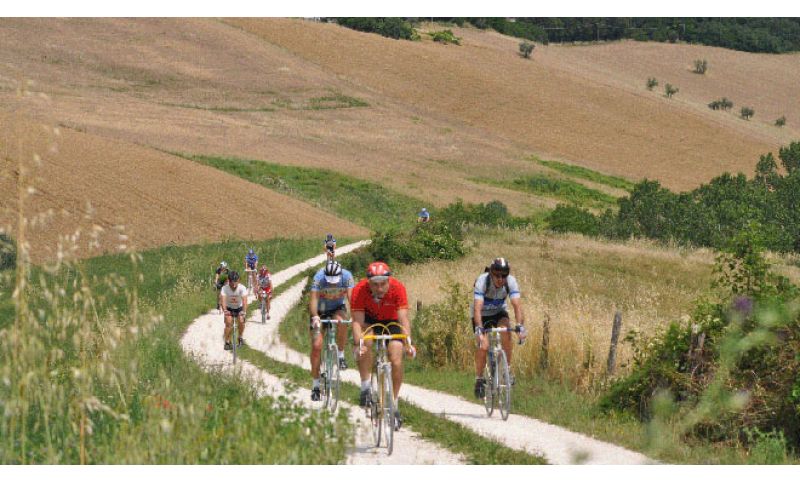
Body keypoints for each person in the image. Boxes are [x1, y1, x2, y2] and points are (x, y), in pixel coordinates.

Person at [351, 261, 415, 429]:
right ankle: (366, 387)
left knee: (396, 357)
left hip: (391, 320)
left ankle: (393, 404)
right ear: (368, 282)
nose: (379, 288)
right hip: (369, 321)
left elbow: (403, 319)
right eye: (375, 284)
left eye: (383, 284)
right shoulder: (359, 290)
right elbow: (357, 322)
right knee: (366, 342)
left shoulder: (398, 288)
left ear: (389, 280)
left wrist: (408, 342)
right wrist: (359, 344)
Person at [471, 257, 527, 399]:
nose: (500, 279)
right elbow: (477, 308)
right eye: (497, 275)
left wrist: (520, 326)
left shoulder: (511, 281)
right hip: (482, 315)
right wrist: (479, 329)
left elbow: (517, 306)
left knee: (507, 333)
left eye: (504, 275)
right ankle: (479, 379)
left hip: (499, 312)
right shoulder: (482, 281)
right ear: (491, 273)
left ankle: (506, 370)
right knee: (483, 346)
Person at [308, 260, 354, 401]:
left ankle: (340, 355)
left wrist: (355, 315)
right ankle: (316, 386)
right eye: (330, 281)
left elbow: (352, 298)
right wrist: (315, 316)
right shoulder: (318, 278)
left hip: (337, 308)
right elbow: (313, 300)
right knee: (316, 346)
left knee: (342, 321)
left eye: (335, 282)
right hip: (320, 310)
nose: (333, 284)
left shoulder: (347, 276)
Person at [220, 271, 248, 350]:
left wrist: (244, 312)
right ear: (229, 281)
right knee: (228, 323)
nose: (234, 285)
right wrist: (225, 310)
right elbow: (223, 301)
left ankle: (240, 337)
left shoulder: (242, 288)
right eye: (232, 283)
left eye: (236, 282)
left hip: (239, 308)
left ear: (238, 280)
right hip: (229, 308)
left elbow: (245, 301)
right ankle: (227, 342)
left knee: (241, 321)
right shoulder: (224, 288)